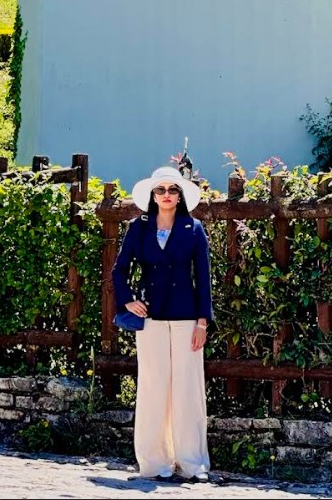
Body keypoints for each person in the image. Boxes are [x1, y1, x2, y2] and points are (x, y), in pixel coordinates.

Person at [112, 165, 213, 482]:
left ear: (180, 195)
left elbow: (204, 279)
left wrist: (202, 322)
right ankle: (154, 464)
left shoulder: (193, 229)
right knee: (154, 388)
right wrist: (128, 299)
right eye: (161, 190)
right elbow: (119, 271)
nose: (167, 196)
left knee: (187, 390)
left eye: (172, 190)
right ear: (152, 195)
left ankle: (192, 464)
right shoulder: (137, 228)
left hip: (186, 317)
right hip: (150, 317)